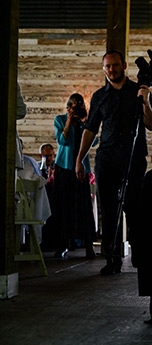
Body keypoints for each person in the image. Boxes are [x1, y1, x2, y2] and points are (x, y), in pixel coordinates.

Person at [76, 50, 152, 275]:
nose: (111, 69)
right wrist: (79, 159)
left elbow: (151, 124)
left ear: (123, 65)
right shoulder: (100, 96)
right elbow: (90, 130)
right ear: (104, 69)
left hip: (133, 158)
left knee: (135, 209)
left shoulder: (139, 90)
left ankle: (141, 260)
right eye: (107, 67)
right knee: (109, 210)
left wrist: (146, 100)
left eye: (115, 65)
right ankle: (112, 260)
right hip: (107, 159)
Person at [51, 93, 97, 259]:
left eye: (77, 105)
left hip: (81, 169)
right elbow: (62, 141)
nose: (73, 108)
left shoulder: (85, 122)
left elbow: (95, 142)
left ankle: (89, 245)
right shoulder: (60, 119)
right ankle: (63, 244)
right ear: (67, 106)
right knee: (64, 206)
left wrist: (85, 123)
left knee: (83, 206)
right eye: (71, 105)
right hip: (64, 167)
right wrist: (70, 121)